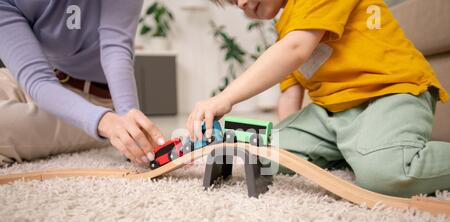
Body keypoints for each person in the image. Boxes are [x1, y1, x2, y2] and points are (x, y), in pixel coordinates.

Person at [187, 0, 450, 197]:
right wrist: (288, 143)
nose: (243, 3)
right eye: (234, 3)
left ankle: (371, 152)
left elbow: (296, 49)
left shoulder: (297, 31)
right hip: (331, 114)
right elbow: (290, 95)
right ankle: (355, 150)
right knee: (264, 156)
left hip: (391, 92)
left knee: (387, 174)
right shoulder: (286, 30)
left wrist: (225, 98)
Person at [0, 0, 165, 168]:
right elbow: (37, 79)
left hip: (96, 102)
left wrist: (124, 123)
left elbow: (116, 49)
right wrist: (107, 123)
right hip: (39, 81)